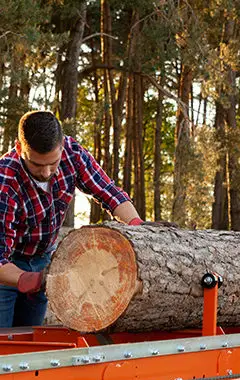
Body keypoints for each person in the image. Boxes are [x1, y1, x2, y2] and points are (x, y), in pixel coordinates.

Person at [0, 110, 145, 328]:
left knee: (31, 343)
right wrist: (33, 279)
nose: (47, 172)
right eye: (37, 165)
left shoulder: (73, 153)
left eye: (53, 163)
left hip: (44, 260)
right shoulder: (5, 181)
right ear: (20, 149)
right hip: (8, 270)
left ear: (62, 146)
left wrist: (139, 228)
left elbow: (109, 193)